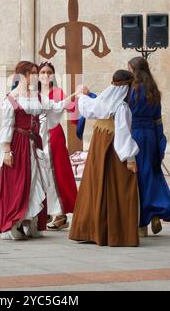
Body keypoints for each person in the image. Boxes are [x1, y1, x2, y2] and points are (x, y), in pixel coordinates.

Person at [0, 61, 79, 240]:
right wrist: (7, 151)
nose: (36, 77)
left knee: (35, 182)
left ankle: (31, 222)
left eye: (37, 73)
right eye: (33, 73)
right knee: (18, 184)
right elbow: (7, 126)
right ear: (22, 75)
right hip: (18, 145)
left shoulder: (38, 98)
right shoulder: (12, 98)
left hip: (34, 146)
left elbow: (56, 107)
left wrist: (76, 95)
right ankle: (14, 223)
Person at [69, 70, 140, 247]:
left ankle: (90, 229)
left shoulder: (103, 100)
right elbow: (123, 134)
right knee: (120, 187)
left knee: (95, 185)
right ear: (127, 87)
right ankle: (116, 234)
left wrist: (82, 95)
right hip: (114, 150)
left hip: (98, 147)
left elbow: (87, 107)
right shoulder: (121, 107)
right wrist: (130, 158)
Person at [128, 57, 170, 236]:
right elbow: (158, 121)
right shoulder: (153, 91)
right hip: (150, 135)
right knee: (152, 173)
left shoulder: (131, 90)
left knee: (137, 176)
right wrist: (160, 143)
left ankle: (142, 224)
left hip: (135, 134)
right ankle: (155, 211)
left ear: (133, 70)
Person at [38, 61, 77, 230]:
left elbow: (72, 109)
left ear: (53, 75)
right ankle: (44, 211)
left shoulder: (58, 92)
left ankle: (60, 213)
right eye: (43, 72)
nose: (46, 75)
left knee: (56, 174)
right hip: (37, 135)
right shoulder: (35, 93)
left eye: (49, 72)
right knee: (39, 174)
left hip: (53, 136)